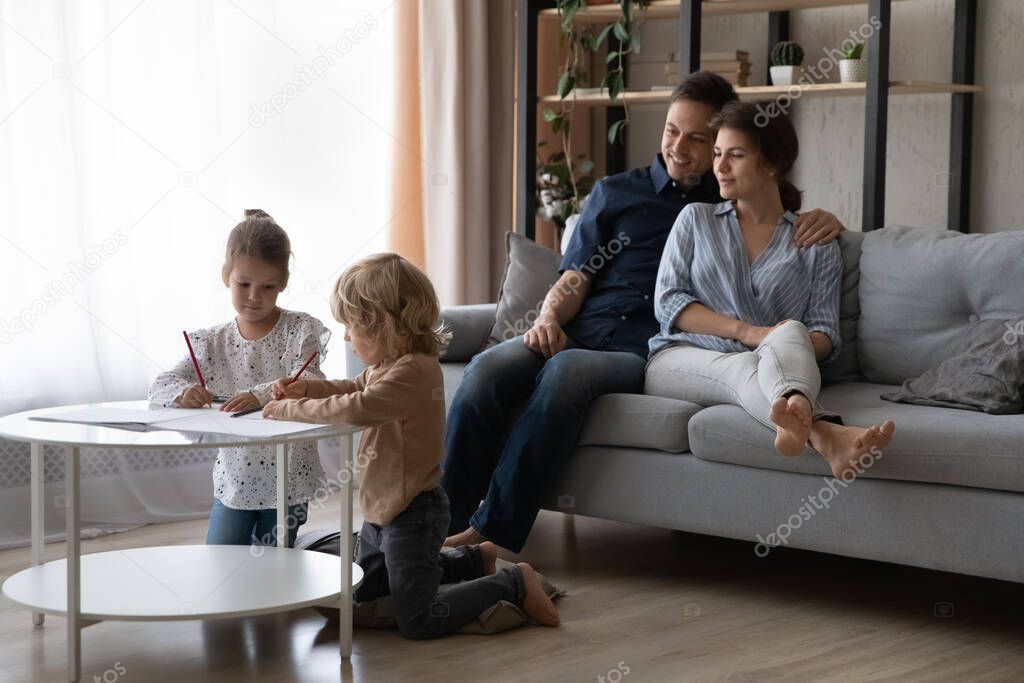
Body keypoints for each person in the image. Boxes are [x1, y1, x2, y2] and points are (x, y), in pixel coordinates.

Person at [442, 72, 847, 553]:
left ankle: (492, 536)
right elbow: (575, 277)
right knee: (485, 370)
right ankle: (442, 529)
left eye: (700, 139)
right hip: (580, 328)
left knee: (566, 373)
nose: (680, 147)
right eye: (673, 130)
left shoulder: (722, 202)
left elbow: (780, 216)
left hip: (644, 347)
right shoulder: (617, 192)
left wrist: (831, 220)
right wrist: (548, 316)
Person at [262, 253, 559, 638]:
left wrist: (293, 408)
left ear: (384, 324)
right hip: (379, 510)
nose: (347, 337)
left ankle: (514, 584)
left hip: (411, 514)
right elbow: (354, 387)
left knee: (418, 618)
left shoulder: (412, 371)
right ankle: (472, 560)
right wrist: (309, 388)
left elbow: (360, 406)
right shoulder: (390, 363)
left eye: (352, 327)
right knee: (365, 590)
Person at [645, 100, 895, 478]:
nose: (720, 167)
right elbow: (668, 305)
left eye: (736, 155)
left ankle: (808, 421)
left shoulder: (815, 242)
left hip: (770, 366)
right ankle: (823, 431)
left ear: (772, 163)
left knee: (788, 331)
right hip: (681, 358)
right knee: (752, 358)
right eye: (717, 154)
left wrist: (784, 342)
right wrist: (752, 334)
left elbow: (825, 333)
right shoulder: (695, 220)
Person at [148, 209, 328, 547]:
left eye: (267, 286)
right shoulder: (212, 341)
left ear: (283, 283)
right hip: (236, 476)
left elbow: (310, 379)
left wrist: (260, 394)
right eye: (243, 284)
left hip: (287, 475)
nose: (254, 297)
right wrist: (183, 392)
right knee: (220, 555)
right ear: (225, 276)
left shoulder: (300, 329)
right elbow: (160, 384)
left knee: (275, 562)